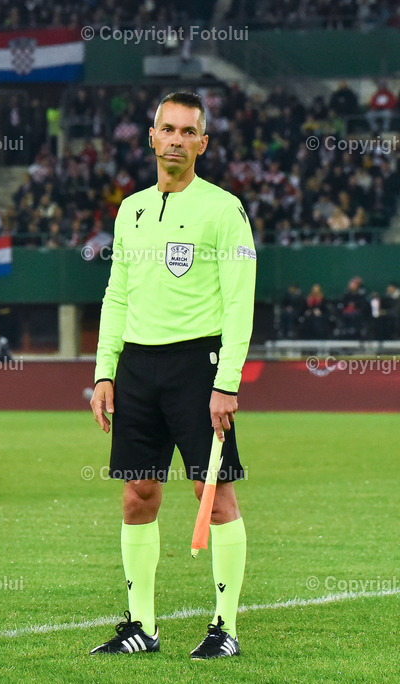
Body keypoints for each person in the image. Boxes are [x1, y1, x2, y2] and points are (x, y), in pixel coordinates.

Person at [89, 91, 256, 660]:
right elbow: (116, 295)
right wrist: (104, 372)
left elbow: (240, 302)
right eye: (169, 129)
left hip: (197, 366)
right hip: (136, 366)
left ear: (202, 144)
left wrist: (227, 381)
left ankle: (225, 628)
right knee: (138, 494)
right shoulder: (130, 208)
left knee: (214, 495)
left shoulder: (224, 210)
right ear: (152, 136)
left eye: (190, 132)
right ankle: (141, 625)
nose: (178, 140)